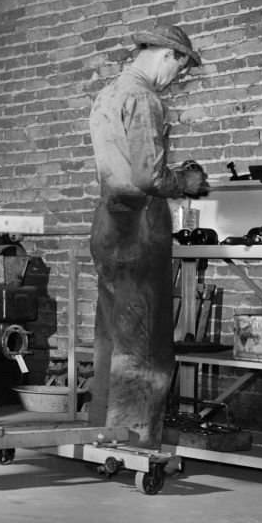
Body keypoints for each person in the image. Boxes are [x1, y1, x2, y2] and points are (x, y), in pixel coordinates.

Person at [87, 23, 209, 448]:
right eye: (181, 67)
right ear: (168, 55)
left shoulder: (107, 94)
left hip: (108, 220)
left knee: (112, 335)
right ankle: (134, 441)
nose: (178, 76)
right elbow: (147, 176)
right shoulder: (143, 97)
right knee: (145, 340)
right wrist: (185, 182)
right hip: (138, 225)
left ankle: (103, 430)